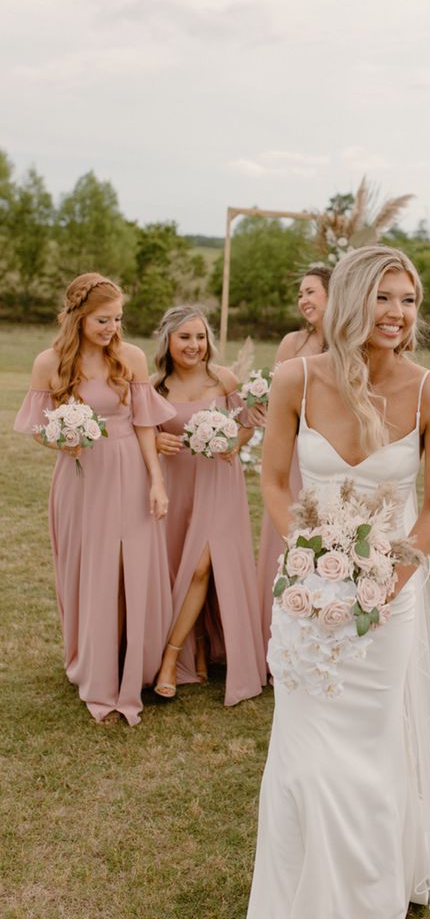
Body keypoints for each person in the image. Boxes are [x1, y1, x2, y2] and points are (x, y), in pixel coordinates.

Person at [247, 246, 430, 917]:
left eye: (408, 300)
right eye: (384, 297)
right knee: (304, 754)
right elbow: (275, 481)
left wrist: (397, 571)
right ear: (350, 300)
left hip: (389, 600)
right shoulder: (296, 380)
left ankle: (369, 896)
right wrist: (305, 555)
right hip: (309, 594)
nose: (397, 313)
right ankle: (296, 893)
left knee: (370, 752)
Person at [14, 273, 174, 725]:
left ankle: (131, 662)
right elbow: (39, 428)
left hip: (129, 468)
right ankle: (95, 666)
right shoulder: (50, 362)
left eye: (118, 318)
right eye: (103, 319)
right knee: (92, 569)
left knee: (130, 567)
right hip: (81, 479)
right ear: (79, 317)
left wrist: (156, 480)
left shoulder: (132, 358)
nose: (112, 327)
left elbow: (145, 424)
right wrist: (63, 439)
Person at [151, 306, 267, 704]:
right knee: (179, 562)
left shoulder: (224, 380)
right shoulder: (156, 388)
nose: (194, 345)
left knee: (202, 565)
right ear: (167, 340)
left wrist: (234, 444)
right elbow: (139, 435)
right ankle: (198, 647)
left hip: (218, 483)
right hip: (176, 483)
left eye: (200, 337)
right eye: (185, 337)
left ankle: (170, 660)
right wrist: (154, 442)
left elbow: (250, 420)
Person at [256, 264, 331, 652]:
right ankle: (280, 640)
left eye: (311, 292)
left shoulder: (351, 344)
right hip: (293, 454)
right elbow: (276, 400)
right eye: (300, 293)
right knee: (285, 540)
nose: (303, 300)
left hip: (329, 457)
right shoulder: (291, 344)